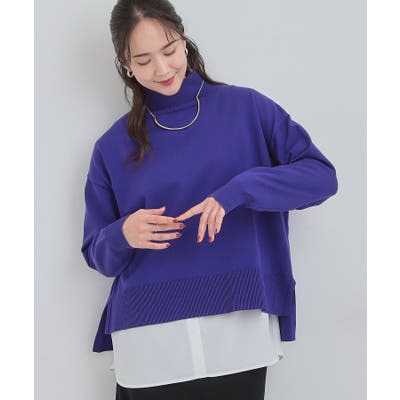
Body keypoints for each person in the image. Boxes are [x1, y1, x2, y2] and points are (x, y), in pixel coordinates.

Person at [80, 0, 339, 399]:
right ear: (125, 64)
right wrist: (123, 234)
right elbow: (97, 253)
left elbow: (321, 177)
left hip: (237, 328)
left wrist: (241, 189)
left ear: (184, 40)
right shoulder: (112, 147)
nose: (162, 69)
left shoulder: (247, 109)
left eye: (169, 50)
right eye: (144, 60)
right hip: (149, 338)